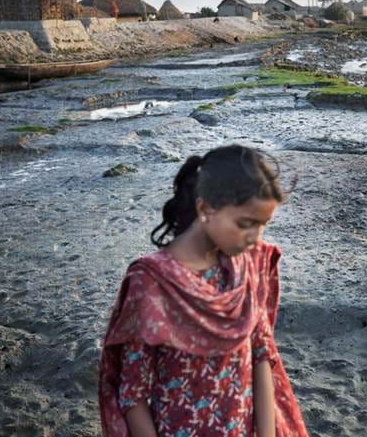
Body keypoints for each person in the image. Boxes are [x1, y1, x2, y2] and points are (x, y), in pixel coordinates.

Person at [98, 144, 308, 437]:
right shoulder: (152, 283)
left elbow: (262, 352)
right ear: (206, 208)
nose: (255, 238)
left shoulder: (248, 267)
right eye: (245, 224)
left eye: (263, 226)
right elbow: (133, 392)